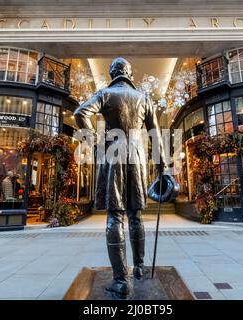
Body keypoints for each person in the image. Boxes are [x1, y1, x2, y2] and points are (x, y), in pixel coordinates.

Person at [74, 57, 166, 299]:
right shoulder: (144, 98)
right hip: (136, 158)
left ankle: (120, 281)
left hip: (113, 156)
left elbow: (80, 113)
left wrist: (95, 143)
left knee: (115, 216)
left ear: (112, 73)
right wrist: (163, 166)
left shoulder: (105, 94)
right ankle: (139, 268)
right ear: (129, 73)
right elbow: (155, 134)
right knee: (136, 215)